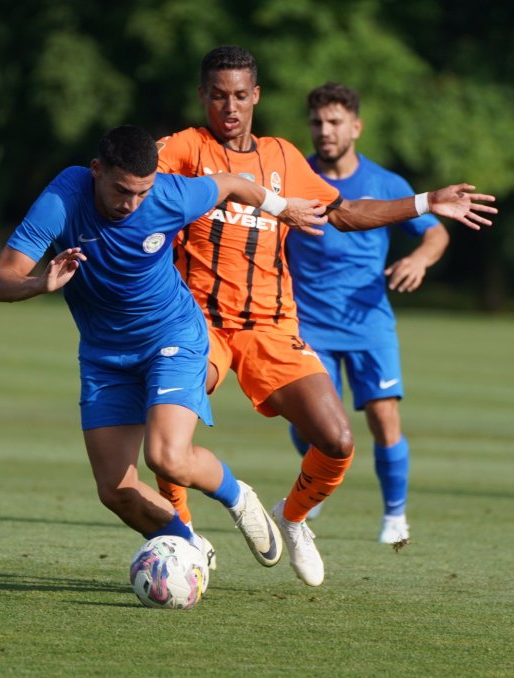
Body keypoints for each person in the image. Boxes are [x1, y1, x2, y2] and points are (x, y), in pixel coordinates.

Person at [154, 45, 496, 586]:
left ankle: (292, 518)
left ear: (256, 96)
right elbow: (133, 183)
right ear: (203, 97)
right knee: (166, 443)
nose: (230, 107)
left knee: (338, 440)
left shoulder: (284, 158)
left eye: (241, 95)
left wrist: (426, 202)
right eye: (218, 96)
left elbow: (343, 212)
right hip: (198, 326)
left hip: (272, 328)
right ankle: (185, 538)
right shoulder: (183, 148)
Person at [0, 125, 330, 575]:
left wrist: (284, 209)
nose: (132, 203)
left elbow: (232, 183)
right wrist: (39, 283)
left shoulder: (169, 195)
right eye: (122, 190)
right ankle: (189, 546)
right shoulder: (64, 198)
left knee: (166, 456)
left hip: (173, 337)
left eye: (142, 192)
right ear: (96, 171)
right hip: (105, 356)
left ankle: (237, 496)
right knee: (115, 491)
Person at [283, 82, 449, 547]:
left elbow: (436, 234)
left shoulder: (386, 183)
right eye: (317, 122)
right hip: (307, 322)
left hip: (369, 321)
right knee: (309, 424)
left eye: (334, 122)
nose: (324, 131)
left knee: (383, 418)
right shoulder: (295, 176)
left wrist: (419, 259)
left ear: (356, 126)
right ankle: (316, 486)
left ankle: (395, 516)